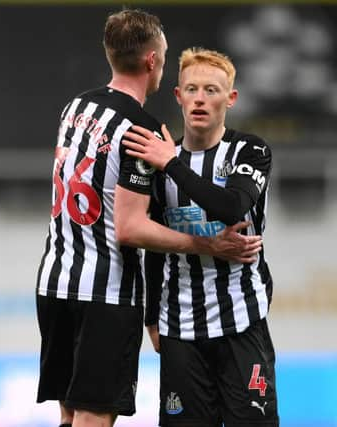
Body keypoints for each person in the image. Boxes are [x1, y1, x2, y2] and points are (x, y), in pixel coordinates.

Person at [35, 10, 262, 427]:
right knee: (94, 415)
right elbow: (130, 227)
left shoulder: (75, 107)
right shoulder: (140, 129)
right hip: (103, 292)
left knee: (68, 413)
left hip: (55, 279)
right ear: (153, 61)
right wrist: (206, 245)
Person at [123, 47, 279, 426]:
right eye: (191, 89)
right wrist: (151, 318)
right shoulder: (159, 161)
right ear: (178, 96)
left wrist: (172, 164)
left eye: (211, 90)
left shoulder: (250, 150)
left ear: (231, 98)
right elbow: (154, 242)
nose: (200, 98)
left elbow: (231, 206)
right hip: (180, 327)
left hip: (242, 322)